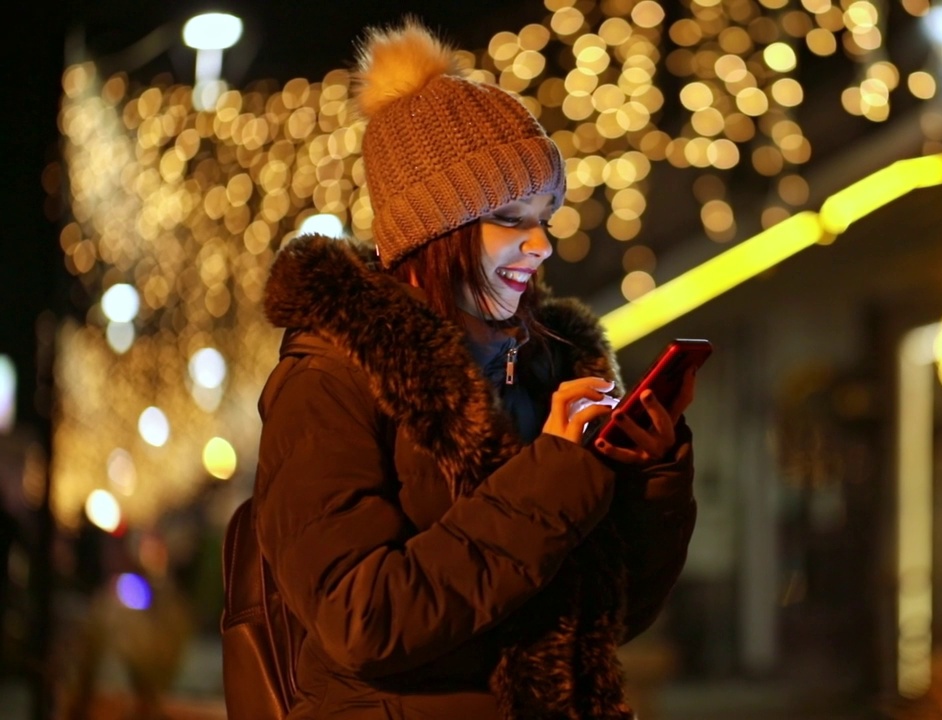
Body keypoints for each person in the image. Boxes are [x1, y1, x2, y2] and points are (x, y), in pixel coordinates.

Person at [250, 17, 698, 720]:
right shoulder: (331, 379)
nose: (542, 244)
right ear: (438, 230)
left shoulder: (547, 363)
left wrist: (651, 478)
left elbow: (604, 620)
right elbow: (365, 620)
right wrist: (552, 479)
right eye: (513, 218)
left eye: (547, 215)